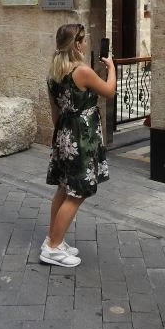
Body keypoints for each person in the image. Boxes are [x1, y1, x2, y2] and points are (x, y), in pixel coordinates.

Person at [40, 23, 116, 268]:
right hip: (82, 137)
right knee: (78, 193)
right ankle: (52, 249)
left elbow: (55, 114)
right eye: (83, 41)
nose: (85, 44)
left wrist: (63, 138)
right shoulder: (82, 71)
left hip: (64, 134)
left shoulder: (54, 73)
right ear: (76, 44)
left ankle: (53, 239)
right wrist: (112, 67)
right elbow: (109, 91)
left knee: (64, 188)